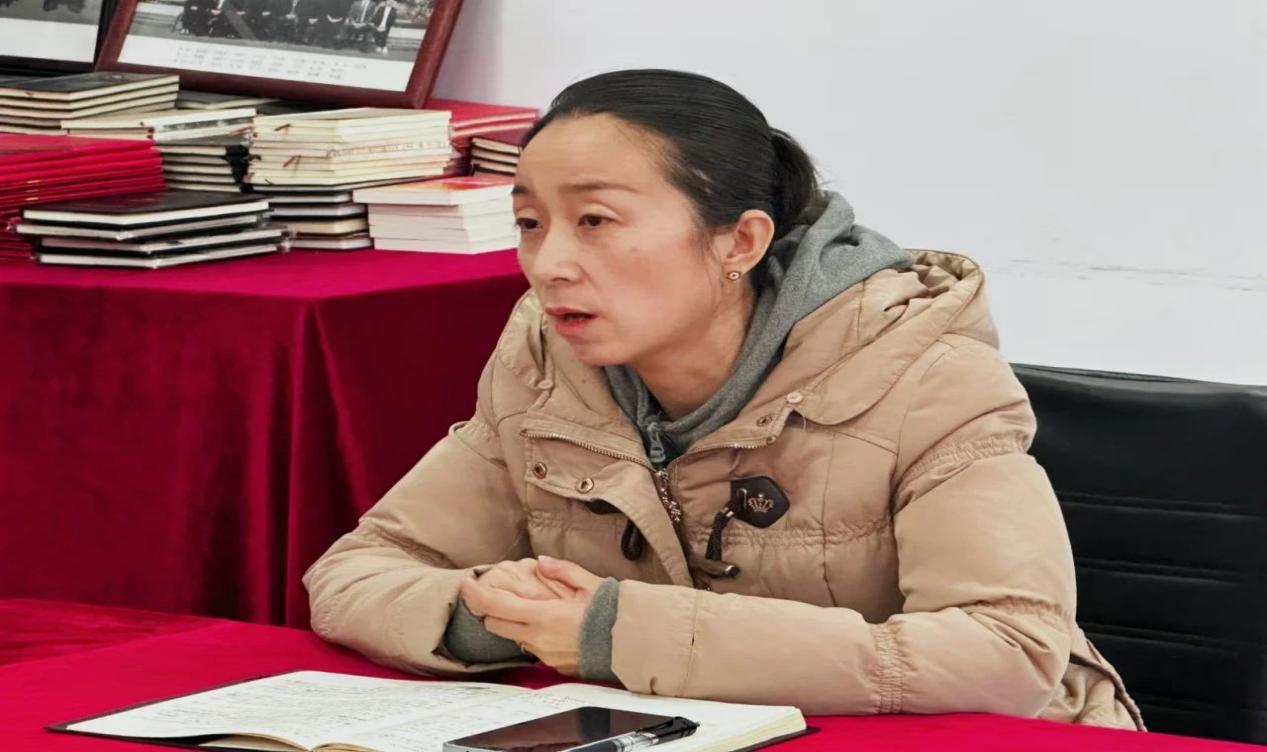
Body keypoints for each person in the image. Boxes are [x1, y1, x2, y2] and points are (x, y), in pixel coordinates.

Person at [304, 69, 1143, 729]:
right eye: (529, 223)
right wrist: (497, 618)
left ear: (739, 240)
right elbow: (354, 572)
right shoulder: (544, 363)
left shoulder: (926, 374)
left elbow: (1008, 651)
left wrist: (617, 631)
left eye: (594, 221)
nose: (548, 264)